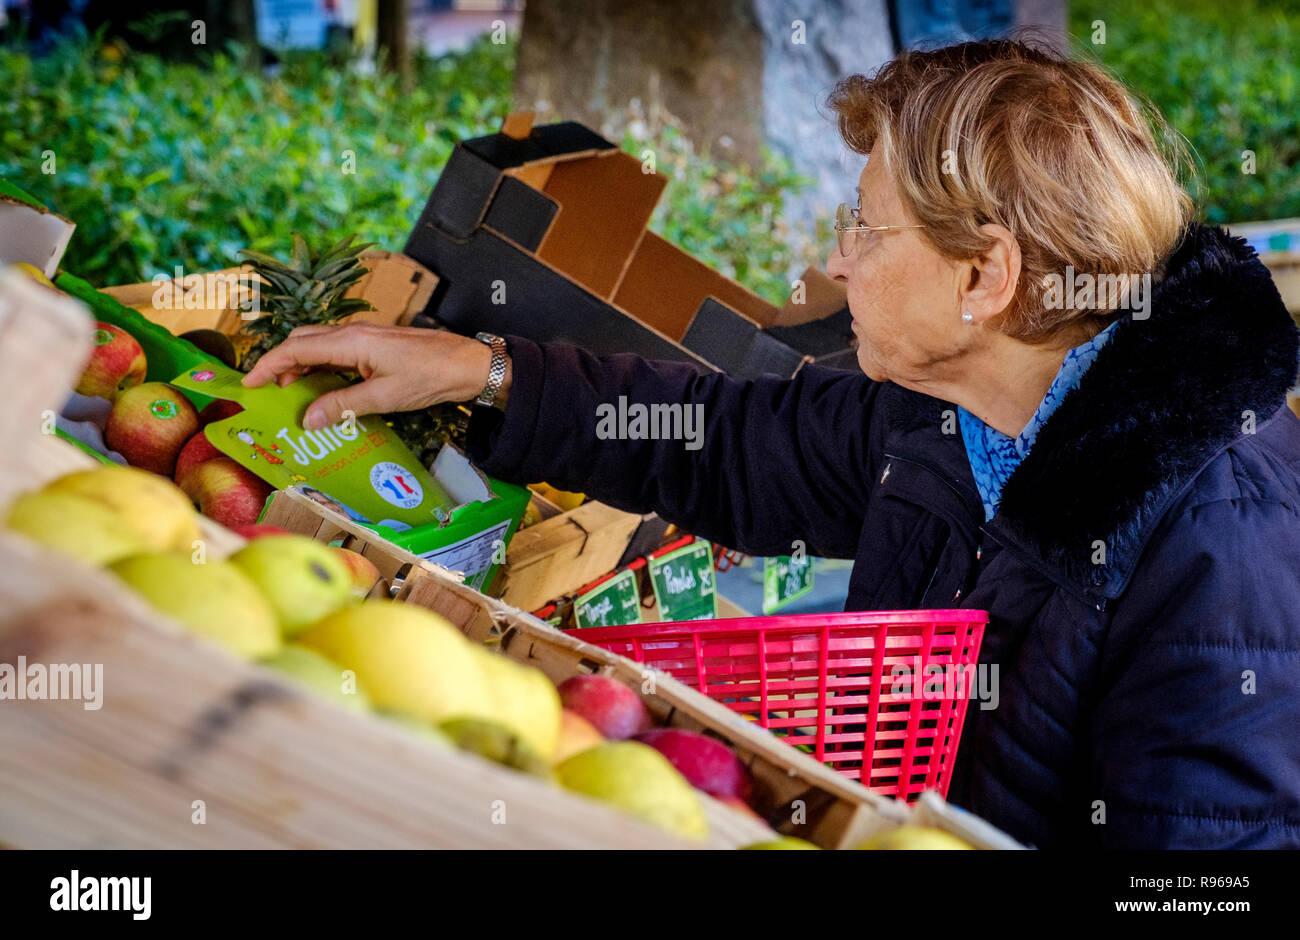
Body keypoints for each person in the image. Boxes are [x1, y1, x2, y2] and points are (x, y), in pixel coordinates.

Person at [243, 39, 1300, 849]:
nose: (835, 265)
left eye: (866, 229)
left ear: (985, 278)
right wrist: (484, 372)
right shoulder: (957, 411)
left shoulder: (1217, 547)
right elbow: (729, 441)